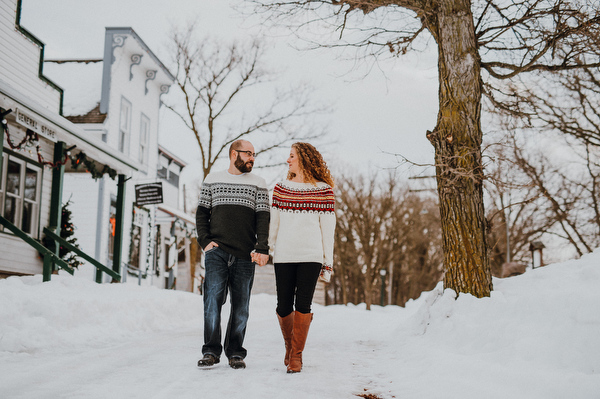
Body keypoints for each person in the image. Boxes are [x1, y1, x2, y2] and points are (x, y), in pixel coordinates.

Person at [195, 139, 270, 370]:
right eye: (248, 154)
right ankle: (210, 351)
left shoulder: (259, 183)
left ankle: (235, 352)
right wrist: (205, 242)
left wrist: (262, 247)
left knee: (241, 306)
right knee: (212, 302)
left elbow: (263, 219)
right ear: (233, 154)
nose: (252, 158)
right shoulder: (213, 179)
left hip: (245, 255)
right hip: (216, 252)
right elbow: (201, 214)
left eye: (254, 154)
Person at [268, 142, 336, 373]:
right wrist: (265, 249)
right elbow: (273, 224)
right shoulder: (281, 189)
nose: (288, 160)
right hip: (284, 254)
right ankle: (289, 347)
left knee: (303, 304)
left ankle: (296, 356)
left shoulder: (324, 190)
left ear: (304, 159)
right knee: (283, 304)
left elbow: (328, 230)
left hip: (311, 255)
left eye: (292, 156)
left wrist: (328, 263)